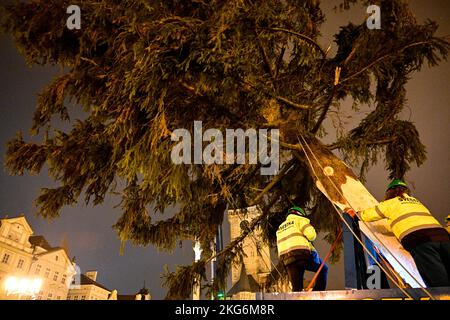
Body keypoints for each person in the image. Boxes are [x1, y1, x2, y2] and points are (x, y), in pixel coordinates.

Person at [345, 179, 450, 287]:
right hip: (443, 237)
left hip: (420, 240)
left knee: (437, 280)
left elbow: (370, 214)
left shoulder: (390, 203)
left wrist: (356, 214)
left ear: (390, 193)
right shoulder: (416, 202)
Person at [276, 206, 328, 291]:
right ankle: (317, 294)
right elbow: (311, 236)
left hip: (287, 260)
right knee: (323, 269)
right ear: (300, 214)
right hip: (300, 255)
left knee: (297, 289)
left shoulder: (280, 227)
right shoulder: (300, 220)